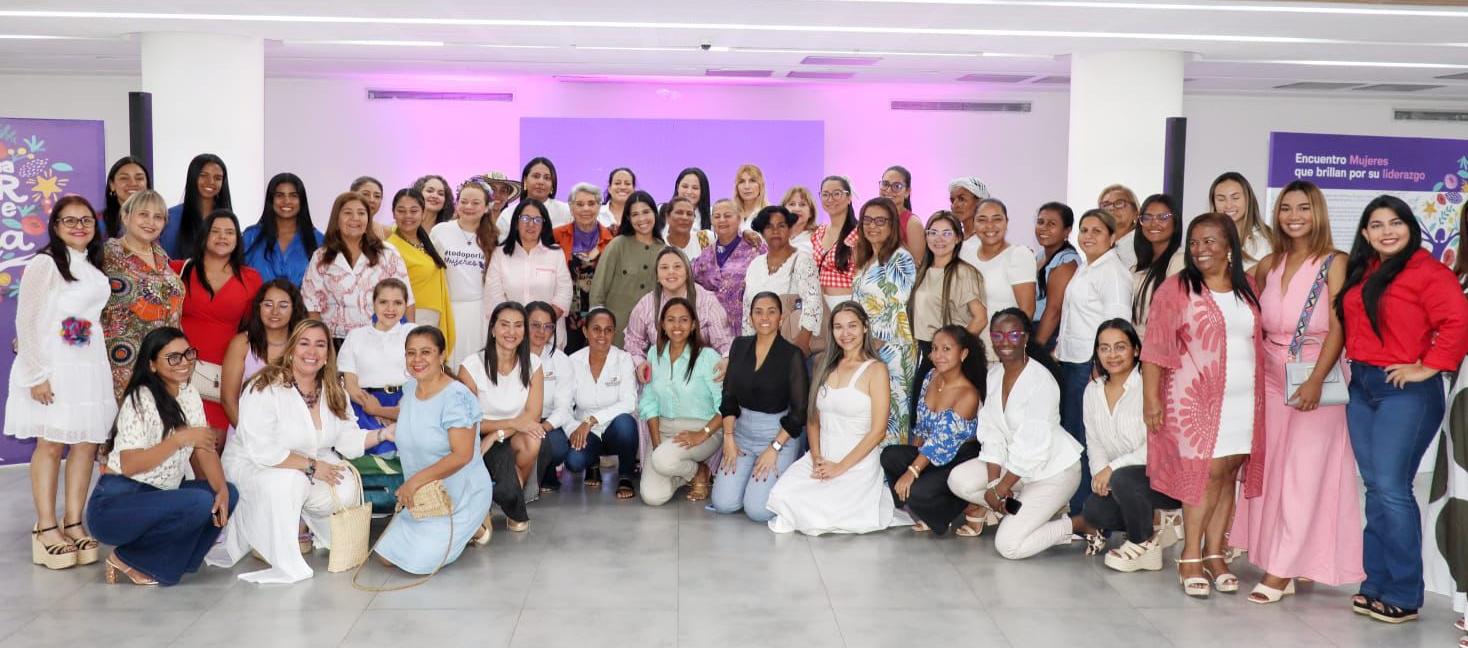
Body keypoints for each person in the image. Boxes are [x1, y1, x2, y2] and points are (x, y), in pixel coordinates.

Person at [1228, 180, 1362, 603]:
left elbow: (1341, 324)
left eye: (1303, 208)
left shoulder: (1335, 262)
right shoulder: (1270, 264)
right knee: (1273, 474)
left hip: (1314, 378)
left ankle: (1282, 569)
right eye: (1286, 208)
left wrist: (1317, 380)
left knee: (1304, 476)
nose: (1294, 216)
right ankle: (1295, 559)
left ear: (1317, 212)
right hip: (1269, 380)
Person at [1335, 195, 1468, 623]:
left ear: (1411, 227)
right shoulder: (1365, 269)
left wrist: (1427, 366)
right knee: (1376, 488)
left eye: (1396, 223)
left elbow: (1458, 321)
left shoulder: (1428, 272)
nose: (1387, 231)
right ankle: (1376, 582)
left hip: (1405, 392)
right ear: (1365, 233)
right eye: (1377, 225)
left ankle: (1405, 593)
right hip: (1363, 388)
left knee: (1392, 488)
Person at [1141, 212, 1266, 598]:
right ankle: (1190, 555)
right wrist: (1151, 400)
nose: (1200, 250)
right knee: (1203, 474)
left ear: (1229, 246)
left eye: (1210, 242)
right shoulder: (1176, 289)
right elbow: (1155, 348)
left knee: (1228, 471)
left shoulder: (1246, 288)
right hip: (1195, 402)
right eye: (1194, 243)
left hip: (1243, 401)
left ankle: (1216, 554)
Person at [208, 320, 389, 584]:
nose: (311, 352)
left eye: (320, 345)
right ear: (292, 348)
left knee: (346, 485)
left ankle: (294, 525)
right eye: (304, 343)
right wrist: (313, 466)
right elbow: (262, 449)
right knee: (290, 481)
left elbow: (348, 440)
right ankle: (276, 543)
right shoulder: (264, 386)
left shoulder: (334, 389)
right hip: (257, 463)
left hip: (310, 460)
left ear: (328, 354)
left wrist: (385, 434)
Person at [6, 196, 116, 570]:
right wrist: (36, 375)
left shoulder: (91, 264)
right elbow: (27, 321)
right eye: (69, 221)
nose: (79, 226)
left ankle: (73, 521)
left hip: (88, 363)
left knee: (85, 444)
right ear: (55, 226)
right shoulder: (45, 263)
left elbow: (82, 321)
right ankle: (46, 528)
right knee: (51, 444)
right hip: (54, 368)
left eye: (86, 220)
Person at [87, 327, 236, 586]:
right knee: (199, 502)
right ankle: (129, 557)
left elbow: (204, 446)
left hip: (158, 494)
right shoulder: (139, 398)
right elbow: (130, 464)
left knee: (227, 493)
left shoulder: (188, 392)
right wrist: (177, 439)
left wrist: (221, 488)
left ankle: (175, 560)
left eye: (188, 354)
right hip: (116, 503)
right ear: (152, 365)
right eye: (173, 358)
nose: (185, 362)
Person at [946, 309, 1082, 558]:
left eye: (1013, 334)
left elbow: (1033, 447)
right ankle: (1029, 507)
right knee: (958, 480)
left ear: (1026, 337)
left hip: (1051, 471)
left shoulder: (1042, 381)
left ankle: (1076, 525)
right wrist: (994, 484)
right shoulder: (994, 375)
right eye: (997, 336)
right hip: (1016, 469)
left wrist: (1000, 490)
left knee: (1009, 547)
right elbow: (991, 433)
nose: (1005, 342)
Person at [765, 302, 910, 535]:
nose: (846, 334)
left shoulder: (876, 370)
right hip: (823, 454)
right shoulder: (824, 363)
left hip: (856, 461)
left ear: (864, 327)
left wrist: (840, 468)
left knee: (819, 515)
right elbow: (813, 418)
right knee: (783, 497)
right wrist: (816, 458)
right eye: (838, 327)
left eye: (852, 326)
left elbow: (878, 431)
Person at [371, 325, 495, 573]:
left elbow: (462, 455)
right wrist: (376, 410)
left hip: (459, 495)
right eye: (411, 353)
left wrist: (415, 482)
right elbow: (413, 413)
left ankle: (477, 525)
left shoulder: (457, 398)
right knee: (385, 557)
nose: (417, 360)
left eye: (426, 352)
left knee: (418, 565)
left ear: (441, 355)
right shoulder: (410, 389)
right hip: (423, 498)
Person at [1073, 320, 1181, 572]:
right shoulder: (1093, 391)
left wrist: (1112, 469)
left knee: (1124, 478)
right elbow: (1094, 441)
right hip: (1123, 480)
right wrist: (1101, 475)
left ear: (1135, 349)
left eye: (1120, 347)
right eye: (1104, 348)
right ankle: (1155, 526)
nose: (1112, 355)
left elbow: (1155, 446)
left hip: (1164, 476)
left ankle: (1141, 542)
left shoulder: (1149, 386)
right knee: (1094, 510)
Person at [1056, 209, 1133, 514]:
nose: (1088, 236)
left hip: (1090, 367)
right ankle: (1077, 507)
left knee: (1086, 441)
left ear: (1113, 238)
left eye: (1097, 231)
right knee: (1075, 436)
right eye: (1084, 230)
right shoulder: (1088, 267)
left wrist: (1100, 369)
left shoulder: (1112, 273)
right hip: (1073, 362)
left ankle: (1086, 513)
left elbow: (1117, 325)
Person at [711, 292, 809, 522]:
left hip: (777, 435)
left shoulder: (792, 355)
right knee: (723, 504)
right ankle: (750, 480)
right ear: (751, 317)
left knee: (758, 511)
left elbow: (799, 413)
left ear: (781, 318)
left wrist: (773, 448)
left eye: (771, 311)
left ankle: (780, 473)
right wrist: (728, 437)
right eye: (758, 312)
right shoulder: (739, 346)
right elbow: (729, 397)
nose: (764, 317)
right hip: (742, 434)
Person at [880, 325, 985, 535]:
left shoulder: (968, 394)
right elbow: (921, 428)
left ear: (963, 354)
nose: (938, 355)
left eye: (947, 349)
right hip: (931, 453)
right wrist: (909, 461)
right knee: (890, 456)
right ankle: (931, 512)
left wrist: (912, 471)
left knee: (916, 490)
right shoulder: (931, 376)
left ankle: (972, 505)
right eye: (935, 349)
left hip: (960, 456)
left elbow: (940, 442)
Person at [172, 209, 263, 438]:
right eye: (216, 231)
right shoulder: (179, 270)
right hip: (179, 367)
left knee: (213, 444)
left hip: (223, 374)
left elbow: (255, 328)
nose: (223, 237)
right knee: (178, 440)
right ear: (204, 236)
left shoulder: (251, 278)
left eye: (230, 232)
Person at [459, 302, 544, 532]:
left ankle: (509, 492)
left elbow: (532, 416)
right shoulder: (471, 366)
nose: (511, 332)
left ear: (525, 331)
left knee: (534, 438)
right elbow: (468, 421)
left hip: (511, 435)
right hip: (477, 435)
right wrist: (505, 426)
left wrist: (498, 434)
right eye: (504, 325)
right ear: (493, 329)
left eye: (518, 326)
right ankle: (507, 502)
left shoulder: (533, 364)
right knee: (498, 452)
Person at [638, 298, 725, 505]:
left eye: (684, 320)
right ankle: (691, 472)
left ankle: (697, 469)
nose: (677, 326)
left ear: (693, 324)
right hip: (664, 429)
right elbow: (649, 402)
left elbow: (725, 406)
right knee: (653, 497)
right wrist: (658, 444)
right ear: (662, 325)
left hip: (702, 430)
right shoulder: (654, 354)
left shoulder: (708, 357)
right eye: (671, 320)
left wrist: (700, 435)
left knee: (663, 460)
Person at [103, 190, 185, 400]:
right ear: (125, 216)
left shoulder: (163, 257)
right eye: (143, 214)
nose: (151, 222)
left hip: (165, 365)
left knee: (163, 429)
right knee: (129, 428)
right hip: (123, 365)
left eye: (158, 217)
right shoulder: (106, 255)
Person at [302, 192, 414, 344]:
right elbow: (311, 306)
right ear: (337, 219)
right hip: (334, 341)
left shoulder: (388, 253)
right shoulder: (321, 256)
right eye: (348, 213)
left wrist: (409, 341)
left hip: (380, 339)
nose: (355, 218)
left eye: (361, 213)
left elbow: (407, 302)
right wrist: (320, 342)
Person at [852, 197, 918, 446]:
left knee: (892, 420)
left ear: (892, 225)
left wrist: (872, 341)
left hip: (891, 349)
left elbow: (896, 305)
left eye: (881, 221)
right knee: (870, 416)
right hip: (867, 348)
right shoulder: (866, 256)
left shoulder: (901, 258)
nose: (873, 226)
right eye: (867, 220)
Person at [908, 211, 985, 422]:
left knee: (946, 423)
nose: (938, 239)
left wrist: (950, 351)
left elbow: (980, 318)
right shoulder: (922, 270)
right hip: (926, 353)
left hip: (946, 359)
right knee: (920, 419)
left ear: (958, 238)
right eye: (932, 232)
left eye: (946, 233)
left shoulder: (964, 273)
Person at [565, 308, 641, 499]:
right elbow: (565, 405)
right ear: (585, 331)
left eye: (608, 330)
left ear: (614, 333)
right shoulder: (573, 361)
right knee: (574, 462)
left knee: (626, 424)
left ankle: (625, 475)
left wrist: (592, 420)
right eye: (596, 329)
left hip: (614, 428)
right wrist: (574, 430)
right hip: (585, 430)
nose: (602, 335)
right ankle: (593, 465)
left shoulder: (623, 359)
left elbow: (629, 402)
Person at [624, 246, 734, 373]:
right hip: (662, 375)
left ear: (687, 272)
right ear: (657, 276)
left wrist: (726, 359)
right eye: (664, 267)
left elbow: (724, 343)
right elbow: (633, 343)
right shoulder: (645, 305)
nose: (671, 272)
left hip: (702, 374)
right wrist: (640, 364)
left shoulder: (707, 301)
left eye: (677, 266)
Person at [484, 199, 572, 345]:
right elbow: (494, 295)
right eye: (525, 218)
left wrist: (542, 324)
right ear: (516, 223)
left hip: (547, 335)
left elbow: (564, 292)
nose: (531, 224)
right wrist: (517, 325)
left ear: (544, 225)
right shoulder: (500, 254)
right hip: (511, 335)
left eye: (537, 219)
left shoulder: (555, 253)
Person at [221, 279, 306, 429]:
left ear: (294, 309)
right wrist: (250, 438)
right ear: (258, 307)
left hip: (292, 435)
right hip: (245, 436)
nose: (275, 311)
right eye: (268, 304)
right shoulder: (242, 344)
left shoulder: (302, 345)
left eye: (283, 306)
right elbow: (228, 400)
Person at [430, 179, 497, 368]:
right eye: (464, 201)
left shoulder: (494, 237)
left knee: (477, 366)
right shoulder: (440, 232)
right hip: (447, 310)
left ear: (486, 207)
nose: (468, 207)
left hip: (480, 313)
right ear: (456, 203)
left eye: (476, 203)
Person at [959, 198, 1036, 362]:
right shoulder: (965, 252)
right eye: (982, 220)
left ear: (1007, 222)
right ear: (973, 222)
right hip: (966, 344)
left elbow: (1027, 311)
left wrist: (1009, 349)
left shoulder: (1018, 255)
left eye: (997, 219)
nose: (990, 226)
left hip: (1000, 347)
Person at [741, 206, 821, 354]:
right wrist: (749, 348)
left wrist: (801, 345)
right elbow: (747, 311)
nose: (775, 231)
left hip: (793, 344)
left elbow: (813, 304)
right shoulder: (755, 264)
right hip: (760, 348)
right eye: (769, 226)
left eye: (781, 225)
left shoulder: (802, 260)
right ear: (762, 232)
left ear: (790, 229)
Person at [589, 190, 664, 347]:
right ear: (628, 218)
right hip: (614, 333)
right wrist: (598, 325)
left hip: (649, 336)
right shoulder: (618, 245)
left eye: (646, 212)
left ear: (655, 214)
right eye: (635, 214)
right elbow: (598, 289)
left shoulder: (664, 251)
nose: (641, 218)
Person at [339, 279, 413, 437]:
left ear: (406, 305)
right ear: (373, 303)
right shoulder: (356, 336)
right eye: (383, 302)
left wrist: (390, 413)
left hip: (408, 403)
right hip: (365, 404)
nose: (390, 309)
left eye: (398, 303)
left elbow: (425, 378)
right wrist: (373, 408)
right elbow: (350, 385)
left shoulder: (414, 333)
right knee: (377, 447)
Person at [386, 187, 453, 348]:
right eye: (401, 211)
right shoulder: (389, 246)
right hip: (409, 317)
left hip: (432, 316)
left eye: (413, 211)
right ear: (393, 214)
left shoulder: (427, 242)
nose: (407, 216)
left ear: (423, 213)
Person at [693, 198, 767, 339]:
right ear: (712, 221)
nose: (722, 220)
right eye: (717, 216)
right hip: (714, 334)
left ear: (739, 218)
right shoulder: (706, 254)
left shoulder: (755, 247)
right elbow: (689, 276)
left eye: (727, 215)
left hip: (749, 330)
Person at [555, 182, 615, 351]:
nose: (586, 209)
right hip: (567, 316)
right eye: (579, 204)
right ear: (571, 208)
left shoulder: (612, 238)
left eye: (591, 203)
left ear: (599, 206)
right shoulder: (556, 236)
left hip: (603, 312)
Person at [526, 301, 574, 492]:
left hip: (547, 422)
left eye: (548, 326)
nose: (541, 331)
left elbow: (564, 407)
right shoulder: (510, 355)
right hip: (516, 420)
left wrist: (541, 427)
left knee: (556, 448)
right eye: (535, 325)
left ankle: (546, 472)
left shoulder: (560, 360)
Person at [242, 172, 323, 286]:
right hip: (256, 303)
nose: (286, 201)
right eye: (279, 195)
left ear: (302, 201)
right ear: (271, 200)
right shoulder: (250, 237)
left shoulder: (318, 240)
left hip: (303, 304)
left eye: (293, 196)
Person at [1130, 194, 1185, 341]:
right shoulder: (1138, 264)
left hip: (1157, 353)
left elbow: (1173, 317)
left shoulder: (1179, 261)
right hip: (1134, 352)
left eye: (1163, 217)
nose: (1154, 223)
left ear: (1175, 222)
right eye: (1147, 217)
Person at [161, 153, 231, 260]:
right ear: (192, 177)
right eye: (203, 175)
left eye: (217, 178)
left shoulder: (228, 219)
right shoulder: (172, 217)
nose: (211, 182)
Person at [1032, 202, 1079, 348]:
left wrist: (1036, 348)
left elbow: (1054, 311)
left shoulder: (1066, 262)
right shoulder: (1040, 256)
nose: (1044, 227)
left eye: (1052, 224)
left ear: (1067, 231)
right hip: (1034, 327)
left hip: (1049, 333)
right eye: (1040, 222)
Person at [812, 176, 859, 309]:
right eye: (825, 194)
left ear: (849, 197)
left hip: (847, 304)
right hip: (820, 304)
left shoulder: (858, 233)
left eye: (836, 194)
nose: (830, 199)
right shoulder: (819, 231)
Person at [1210, 172, 1273, 269]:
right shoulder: (1207, 240)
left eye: (1235, 198)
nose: (1228, 205)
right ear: (1214, 203)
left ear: (1248, 199)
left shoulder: (1267, 240)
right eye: (1221, 199)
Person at [502, 157, 571, 233]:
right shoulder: (508, 214)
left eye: (547, 178)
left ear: (552, 185)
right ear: (525, 181)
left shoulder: (566, 212)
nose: (541, 182)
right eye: (536, 176)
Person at [878, 165, 927, 261]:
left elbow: (917, 265)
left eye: (897, 186)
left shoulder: (913, 223)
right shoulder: (871, 216)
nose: (888, 190)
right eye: (885, 184)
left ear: (907, 192)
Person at [101, 156, 151, 239]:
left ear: (147, 184)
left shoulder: (162, 220)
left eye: (139, 178)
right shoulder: (98, 222)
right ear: (112, 185)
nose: (133, 183)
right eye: (124, 178)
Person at [1096, 184, 1140, 271]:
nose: (1111, 208)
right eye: (1106, 205)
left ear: (1136, 212)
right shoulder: (1100, 245)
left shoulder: (1142, 244)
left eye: (1119, 203)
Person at [663, 196, 711, 262]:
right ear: (667, 217)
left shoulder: (705, 238)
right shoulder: (660, 245)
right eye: (679, 212)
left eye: (689, 214)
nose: (685, 217)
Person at [948, 176, 990, 246]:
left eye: (961, 199)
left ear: (979, 202)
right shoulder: (952, 240)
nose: (954, 205)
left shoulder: (989, 241)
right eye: (952, 200)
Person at [780, 186, 818, 254]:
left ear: (811, 213)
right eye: (792, 204)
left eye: (802, 204)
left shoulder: (817, 239)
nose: (797, 209)